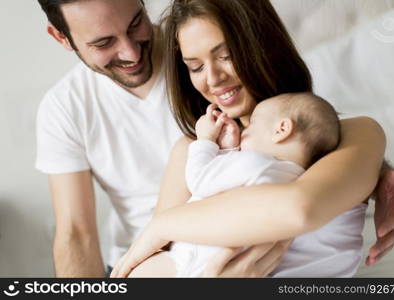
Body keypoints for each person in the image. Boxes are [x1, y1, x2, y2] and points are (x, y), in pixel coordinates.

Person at [36, 0, 394, 277]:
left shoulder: (358, 130)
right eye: (194, 66)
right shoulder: (190, 149)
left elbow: (300, 209)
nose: (211, 80)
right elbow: (105, 249)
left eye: (226, 56)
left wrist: (163, 226)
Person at [112, 93, 368, 278]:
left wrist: (205, 142)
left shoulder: (254, 163)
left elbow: (202, 180)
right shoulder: (300, 177)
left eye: (252, 125)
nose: (244, 132)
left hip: (191, 259)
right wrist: (232, 150)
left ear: (281, 129)